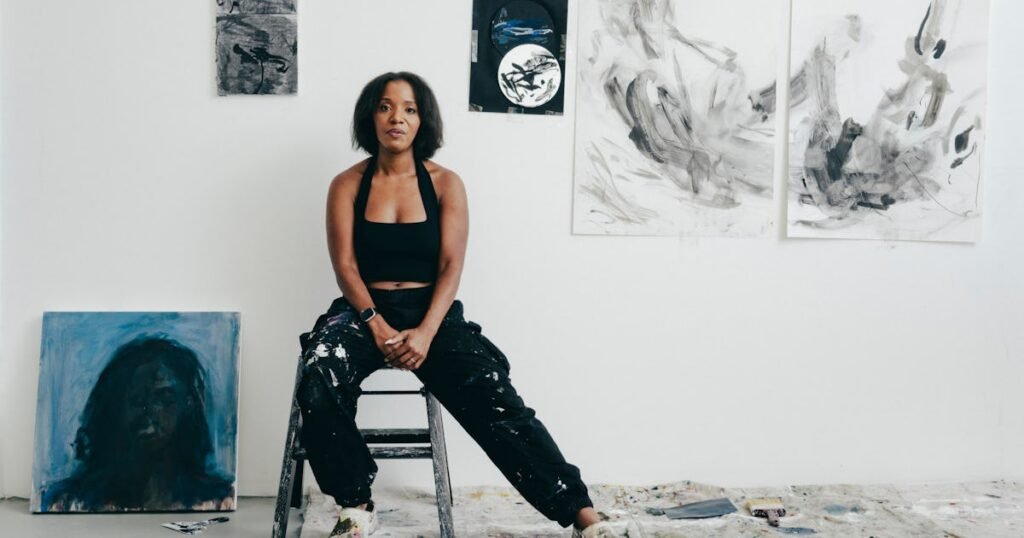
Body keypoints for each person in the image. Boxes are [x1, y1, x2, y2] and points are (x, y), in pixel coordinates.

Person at [296, 72, 617, 537]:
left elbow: (451, 266)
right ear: (371, 117)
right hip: (363, 310)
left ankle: (582, 514)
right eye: (385, 107)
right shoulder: (347, 184)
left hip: (433, 312)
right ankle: (356, 504)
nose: (396, 118)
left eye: (409, 109)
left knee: (494, 395)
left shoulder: (445, 183)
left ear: (422, 120)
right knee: (319, 370)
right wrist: (376, 324)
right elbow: (345, 266)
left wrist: (426, 332)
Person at [39, 336, 234, 512]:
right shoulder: (68, 501)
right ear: (114, 408)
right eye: (137, 400)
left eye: (165, 399)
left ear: (188, 404)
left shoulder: (217, 500)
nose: (149, 413)